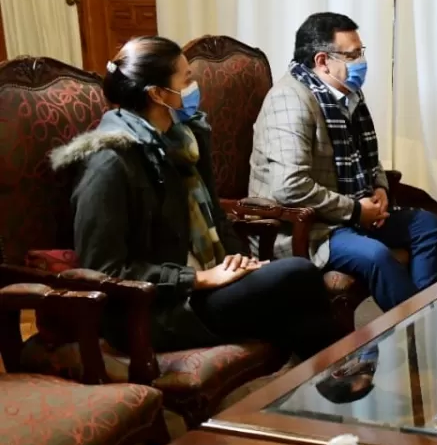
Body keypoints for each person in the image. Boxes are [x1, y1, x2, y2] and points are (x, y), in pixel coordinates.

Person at [50, 36, 339, 359]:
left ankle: (314, 392)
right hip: (156, 308)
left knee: (297, 305)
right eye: (186, 80)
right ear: (158, 94)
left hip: (205, 282)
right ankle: (332, 387)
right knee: (298, 276)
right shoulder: (110, 162)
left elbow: (214, 215)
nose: (195, 87)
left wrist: (239, 259)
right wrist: (197, 278)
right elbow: (104, 270)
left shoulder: (182, 140)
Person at [249, 12, 437, 312]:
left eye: (361, 53)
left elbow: (367, 157)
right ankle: (417, 328)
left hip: (351, 213)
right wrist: (356, 211)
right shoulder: (289, 102)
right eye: (352, 55)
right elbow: (290, 188)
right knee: (376, 255)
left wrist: (380, 189)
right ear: (322, 61)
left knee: (427, 226)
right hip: (310, 226)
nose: (360, 62)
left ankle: (423, 319)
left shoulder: (347, 92)